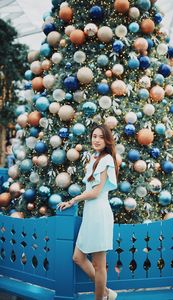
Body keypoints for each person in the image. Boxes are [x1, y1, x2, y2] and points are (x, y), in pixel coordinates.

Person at [57, 124, 119, 300]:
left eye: (100, 137)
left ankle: (100, 297)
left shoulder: (107, 159)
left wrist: (74, 200)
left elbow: (96, 192)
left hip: (99, 214)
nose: (96, 140)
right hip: (90, 214)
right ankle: (107, 292)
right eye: (94, 136)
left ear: (107, 140)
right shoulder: (94, 159)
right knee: (78, 257)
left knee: (99, 265)